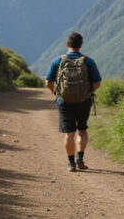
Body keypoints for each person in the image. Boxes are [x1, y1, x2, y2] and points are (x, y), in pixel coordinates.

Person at [46, 32, 102, 172]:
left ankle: (71, 163)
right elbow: (97, 82)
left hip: (64, 101)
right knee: (82, 130)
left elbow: (48, 82)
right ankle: (80, 158)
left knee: (69, 133)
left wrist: (58, 93)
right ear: (81, 45)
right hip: (84, 101)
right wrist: (87, 92)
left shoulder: (58, 61)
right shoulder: (88, 61)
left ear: (67, 44)